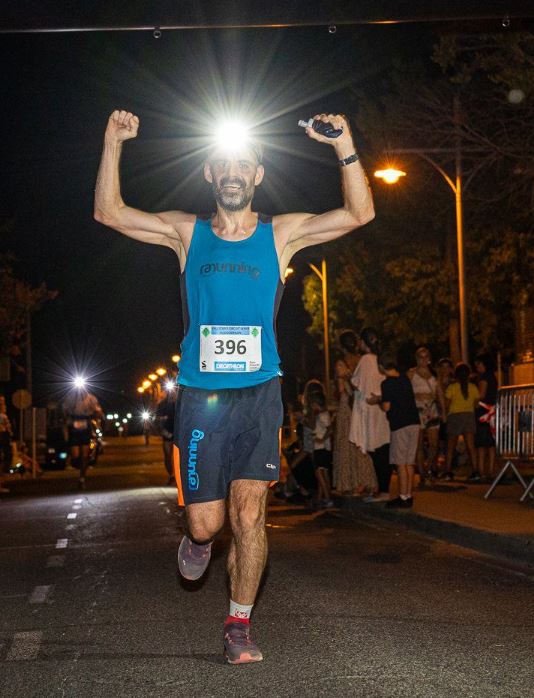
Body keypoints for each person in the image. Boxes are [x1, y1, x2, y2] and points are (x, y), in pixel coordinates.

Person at [94, 109, 375, 663]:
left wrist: (343, 143)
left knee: (250, 515)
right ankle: (196, 539)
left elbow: (359, 213)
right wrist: (112, 142)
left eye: (243, 164)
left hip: (259, 395)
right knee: (209, 522)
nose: (232, 172)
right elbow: (109, 212)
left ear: (257, 175)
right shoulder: (185, 232)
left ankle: (238, 625)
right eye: (223, 163)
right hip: (201, 398)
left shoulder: (281, 234)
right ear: (208, 173)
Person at [369, 351, 420, 508]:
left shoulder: (387, 383)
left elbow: (386, 406)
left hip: (399, 425)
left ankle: (403, 497)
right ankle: (408, 495)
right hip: (414, 423)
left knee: (400, 463)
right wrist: (381, 398)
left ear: (380, 367)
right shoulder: (404, 378)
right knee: (409, 462)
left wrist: (377, 401)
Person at [332, 330, 376, 496]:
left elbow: (341, 389)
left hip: (348, 405)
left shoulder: (341, 364)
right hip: (363, 404)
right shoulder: (364, 361)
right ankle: (367, 481)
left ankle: (350, 482)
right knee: (362, 445)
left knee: (347, 443)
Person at [350, 328, 390, 502]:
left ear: (364, 343)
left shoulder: (366, 360)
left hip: (370, 409)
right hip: (382, 408)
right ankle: (383, 488)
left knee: (378, 452)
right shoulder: (380, 360)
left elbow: (357, 383)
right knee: (382, 450)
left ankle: (384, 490)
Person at [409, 347, 446, 487]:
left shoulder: (434, 374)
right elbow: (405, 391)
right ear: (416, 358)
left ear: (429, 358)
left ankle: (429, 468)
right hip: (417, 409)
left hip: (432, 409)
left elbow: (440, 393)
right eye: (420, 357)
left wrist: (443, 412)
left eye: (425, 357)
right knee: (418, 445)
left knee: (434, 444)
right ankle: (423, 475)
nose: (423, 360)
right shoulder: (411, 374)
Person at [443, 363, 479, 482]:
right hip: (469, 416)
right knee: (471, 446)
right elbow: (476, 404)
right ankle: (475, 471)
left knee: (451, 446)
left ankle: (448, 472)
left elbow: (447, 404)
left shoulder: (452, 387)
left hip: (455, 416)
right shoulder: (473, 387)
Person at [62, 386, 103, 489]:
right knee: (75, 454)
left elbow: (98, 411)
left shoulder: (91, 398)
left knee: (85, 455)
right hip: (74, 426)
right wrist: (67, 419)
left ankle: (82, 477)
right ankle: (75, 465)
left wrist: (97, 414)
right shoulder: (70, 398)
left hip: (86, 426)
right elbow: (64, 410)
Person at [473, 353, 498, 482]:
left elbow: (481, 395)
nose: (477, 367)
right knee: (491, 443)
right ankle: (491, 470)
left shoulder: (483, 378)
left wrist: (474, 402)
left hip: (483, 412)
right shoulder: (493, 377)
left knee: (482, 444)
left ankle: (481, 471)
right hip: (492, 412)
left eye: (479, 364)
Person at [310, 393, 334, 508]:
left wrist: (322, 439)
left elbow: (330, 429)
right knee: (323, 473)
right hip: (321, 447)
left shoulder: (323, 415)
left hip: (322, 448)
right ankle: (322, 498)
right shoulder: (320, 415)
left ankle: (328, 498)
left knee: (319, 473)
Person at [156, 385, 179, 485]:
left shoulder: (181, 402)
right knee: (168, 455)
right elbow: (157, 419)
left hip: (179, 434)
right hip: (167, 433)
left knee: (178, 456)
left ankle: (177, 475)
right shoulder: (163, 404)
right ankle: (171, 475)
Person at [0, 396, 13, 494]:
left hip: (5, 438)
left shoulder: (3, 415)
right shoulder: (1, 416)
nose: (3, 404)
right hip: (2, 439)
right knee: (4, 460)